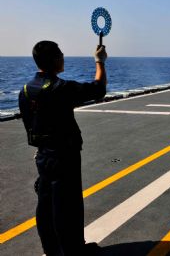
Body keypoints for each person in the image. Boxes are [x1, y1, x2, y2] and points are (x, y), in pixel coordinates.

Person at [18, 41, 108, 256]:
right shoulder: (61, 89)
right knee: (68, 206)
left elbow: (33, 124)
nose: (64, 57)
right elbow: (99, 90)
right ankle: (74, 250)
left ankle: (51, 249)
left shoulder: (25, 91)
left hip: (43, 156)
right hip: (64, 156)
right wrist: (100, 61)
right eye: (61, 54)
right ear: (56, 59)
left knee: (46, 203)